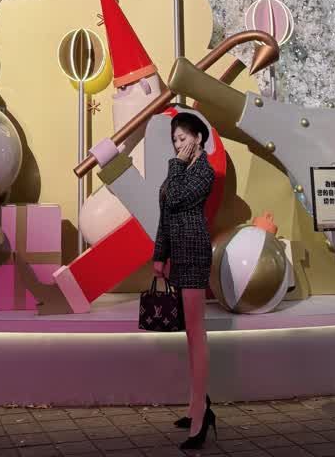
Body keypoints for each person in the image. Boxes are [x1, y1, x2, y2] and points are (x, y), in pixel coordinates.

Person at [153, 113, 217, 450]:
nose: (178, 145)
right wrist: (159, 255)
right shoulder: (180, 170)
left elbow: (175, 198)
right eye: (175, 140)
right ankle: (198, 406)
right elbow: (166, 213)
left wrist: (174, 165)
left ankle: (200, 416)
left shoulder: (203, 172)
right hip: (177, 254)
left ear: (199, 138)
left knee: (196, 334)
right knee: (190, 335)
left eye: (183, 138)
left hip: (194, 253)